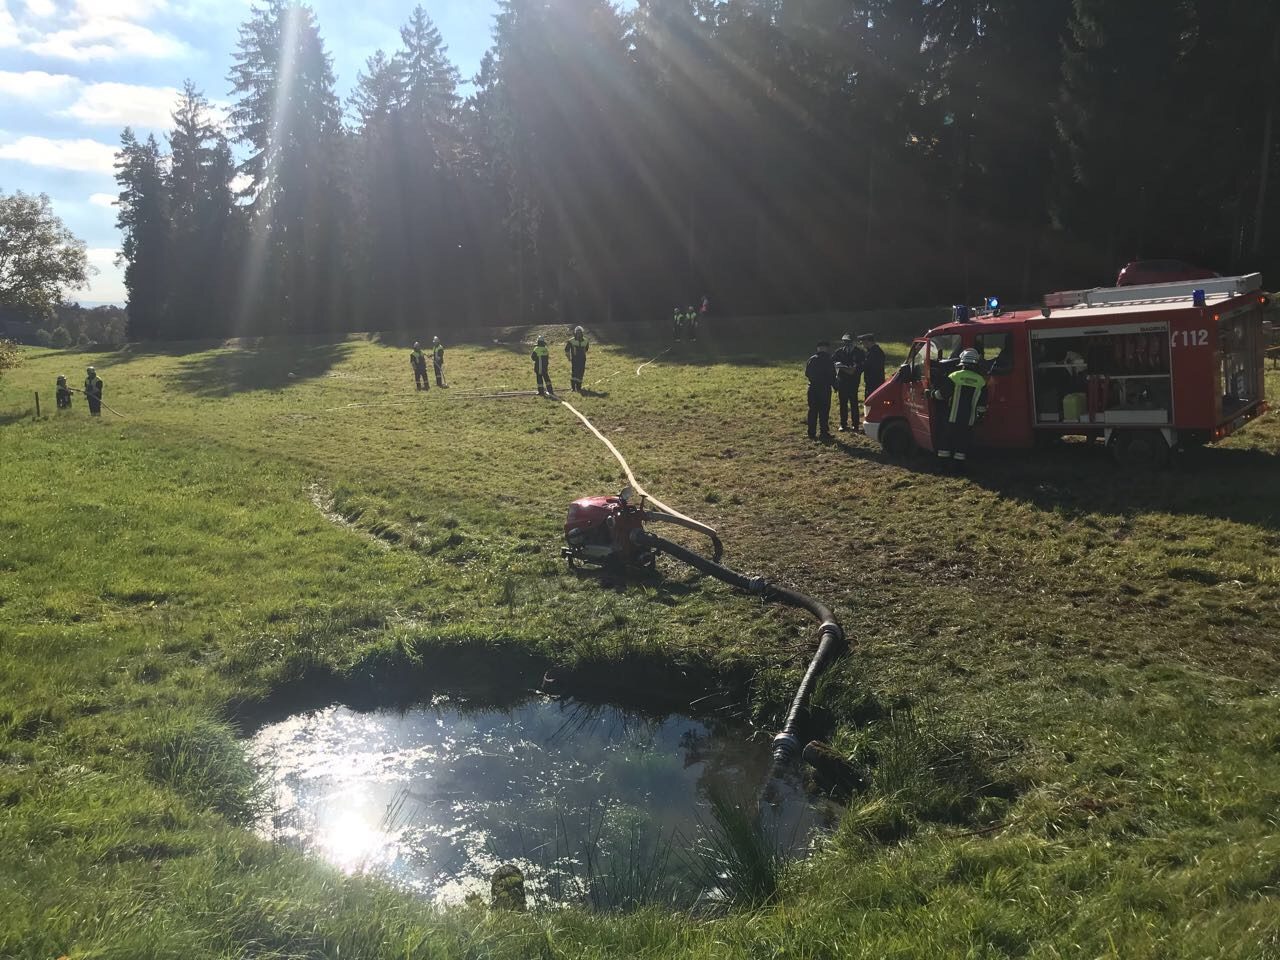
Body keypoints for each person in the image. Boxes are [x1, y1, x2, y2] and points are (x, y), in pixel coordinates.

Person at [931, 348, 988, 469]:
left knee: (945, 441)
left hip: (951, 417)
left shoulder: (954, 376)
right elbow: (982, 405)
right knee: (962, 443)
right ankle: (958, 467)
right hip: (968, 420)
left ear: (962, 362)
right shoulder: (981, 381)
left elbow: (941, 395)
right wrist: (979, 416)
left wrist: (931, 393)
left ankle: (943, 466)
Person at [804, 340, 837, 441]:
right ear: (826, 348)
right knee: (824, 411)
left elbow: (807, 373)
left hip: (812, 388)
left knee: (812, 410)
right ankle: (824, 432)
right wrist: (836, 386)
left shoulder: (811, 359)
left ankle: (811, 432)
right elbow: (832, 375)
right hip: (824, 388)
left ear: (818, 348)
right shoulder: (828, 360)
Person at [832, 333, 865, 431]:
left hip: (853, 381)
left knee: (854, 403)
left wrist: (846, 369)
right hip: (842, 381)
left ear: (853, 342)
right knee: (843, 403)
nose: (847, 344)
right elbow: (833, 362)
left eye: (849, 342)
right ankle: (843, 424)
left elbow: (858, 368)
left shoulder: (859, 352)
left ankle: (855, 424)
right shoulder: (839, 352)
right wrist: (843, 368)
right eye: (845, 342)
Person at [859, 333, 886, 398]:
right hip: (872, 381)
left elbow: (868, 365)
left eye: (863, 343)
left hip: (874, 381)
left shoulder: (875, 352)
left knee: (872, 400)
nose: (862, 345)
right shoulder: (872, 351)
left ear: (867, 342)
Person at [564, 326, 589, 392]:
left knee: (581, 373)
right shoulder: (571, 341)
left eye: (579, 332)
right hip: (575, 360)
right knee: (574, 373)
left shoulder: (586, 341)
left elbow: (586, 349)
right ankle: (573, 387)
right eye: (577, 333)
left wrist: (569, 358)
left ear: (582, 333)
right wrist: (569, 358)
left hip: (582, 360)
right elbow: (566, 350)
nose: (578, 334)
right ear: (575, 333)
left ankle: (578, 387)